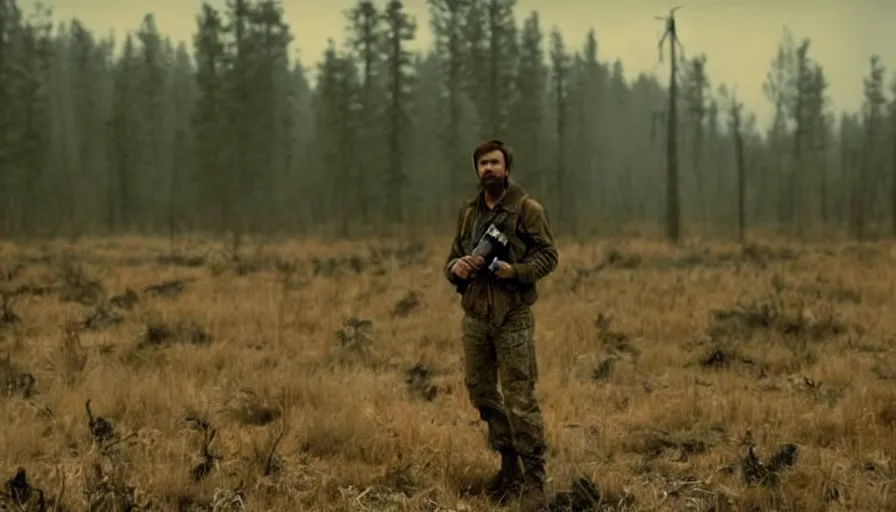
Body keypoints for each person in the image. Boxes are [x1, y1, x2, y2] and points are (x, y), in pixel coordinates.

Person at [443, 139, 559, 512]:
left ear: (506, 167)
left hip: (512, 316)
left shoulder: (527, 209)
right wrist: (455, 267)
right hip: (475, 316)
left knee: (520, 400)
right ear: (476, 171)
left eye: (494, 163)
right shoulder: (467, 213)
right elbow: (452, 257)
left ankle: (535, 480)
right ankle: (509, 467)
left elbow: (549, 255)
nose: (488, 169)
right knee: (481, 393)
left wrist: (516, 271)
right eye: (482, 164)